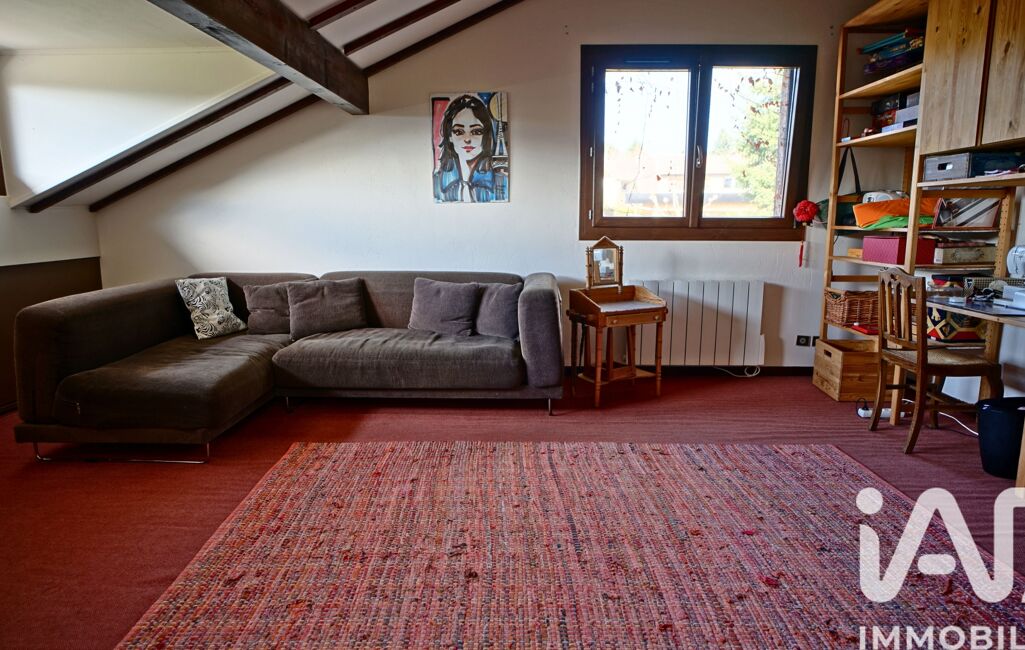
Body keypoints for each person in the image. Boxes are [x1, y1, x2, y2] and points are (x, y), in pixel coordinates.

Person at [433, 94, 508, 202]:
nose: (467, 139)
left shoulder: (503, 182)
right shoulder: (436, 182)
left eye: (476, 131)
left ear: (486, 136)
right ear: (450, 136)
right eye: (458, 132)